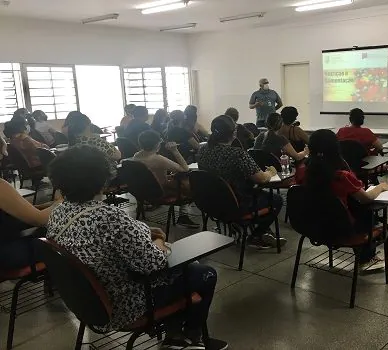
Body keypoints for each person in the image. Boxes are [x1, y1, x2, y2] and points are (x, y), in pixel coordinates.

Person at [46, 145, 227, 350]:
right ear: (103, 178)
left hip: (88, 302)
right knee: (202, 273)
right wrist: (159, 242)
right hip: (124, 305)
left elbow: (99, 241)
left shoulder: (58, 212)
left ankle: (175, 333)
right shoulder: (109, 217)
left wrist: (141, 232)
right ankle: (188, 336)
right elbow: (153, 264)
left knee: (185, 270)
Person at [295, 129, 388, 271]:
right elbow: (365, 198)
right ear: (336, 148)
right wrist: (381, 187)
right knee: (366, 212)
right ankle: (366, 258)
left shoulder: (302, 172)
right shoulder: (341, 176)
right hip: (339, 227)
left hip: (310, 225)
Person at [198, 115, 284, 248]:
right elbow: (261, 178)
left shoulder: (203, 150)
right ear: (233, 133)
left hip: (211, 202)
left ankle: (242, 227)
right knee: (277, 199)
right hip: (237, 204)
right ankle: (256, 235)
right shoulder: (237, 154)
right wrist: (271, 172)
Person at [133, 130, 199, 228]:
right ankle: (183, 215)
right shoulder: (157, 159)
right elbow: (185, 169)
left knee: (175, 177)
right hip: (160, 192)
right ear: (157, 144)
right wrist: (175, 150)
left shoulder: (136, 156)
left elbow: (152, 174)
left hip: (144, 191)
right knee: (186, 179)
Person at [0, 178, 59, 269]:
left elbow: (15, 210)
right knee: (64, 232)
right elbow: (40, 220)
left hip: (7, 248)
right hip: (9, 255)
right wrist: (62, 201)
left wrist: (50, 205)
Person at [67, 112, 121, 179]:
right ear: (88, 125)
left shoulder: (72, 142)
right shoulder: (95, 141)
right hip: (103, 177)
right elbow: (117, 156)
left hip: (81, 178)